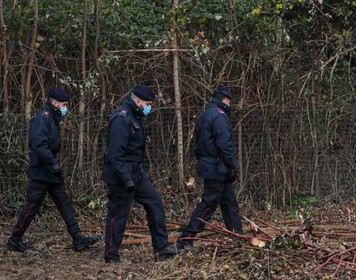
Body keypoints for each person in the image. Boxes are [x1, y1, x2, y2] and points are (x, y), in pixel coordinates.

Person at [6, 89, 100, 253]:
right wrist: (53, 164)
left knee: (64, 203)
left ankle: (77, 238)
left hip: (51, 171)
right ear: (54, 103)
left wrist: (54, 166)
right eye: (64, 105)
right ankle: (14, 239)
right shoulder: (43, 118)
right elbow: (38, 145)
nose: (66, 108)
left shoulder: (52, 118)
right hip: (42, 171)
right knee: (32, 206)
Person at [101, 85, 178, 263]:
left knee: (154, 201)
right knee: (118, 213)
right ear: (137, 101)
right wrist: (125, 179)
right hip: (120, 174)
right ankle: (111, 254)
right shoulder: (121, 118)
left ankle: (161, 248)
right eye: (148, 103)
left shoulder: (134, 116)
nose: (149, 107)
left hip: (135, 171)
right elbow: (115, 154)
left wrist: (136, 173)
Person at [176, 87, 242, 253]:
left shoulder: (204, 116)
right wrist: (231, 166)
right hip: (218, 168)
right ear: (222, 100)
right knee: (209, 203)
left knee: (229, 203)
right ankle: (186, 238)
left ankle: (238, 237)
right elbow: (225, 145)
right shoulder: (219, 116)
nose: (229, 104)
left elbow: (198, 146)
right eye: (227, 100)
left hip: (211, 165)